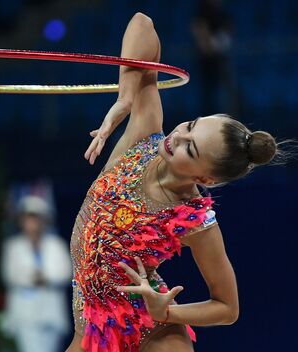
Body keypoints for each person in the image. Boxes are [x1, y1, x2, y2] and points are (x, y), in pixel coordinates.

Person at [66, 12, 279, 352]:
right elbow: (142, 24)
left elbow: (227, 308)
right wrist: (125, 98)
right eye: (190, 125)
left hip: (154, 333)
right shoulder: (144, 134)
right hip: (93, 327)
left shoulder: (196, 220)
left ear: (204, 177)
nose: (177, 137)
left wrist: (168, 311)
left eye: (189, 149)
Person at [1, 195, 72, 352]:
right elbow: (10, 275)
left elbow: (65, 273)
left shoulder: (56, 244)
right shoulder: (13, 246)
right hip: (25, 314)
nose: (33, 223)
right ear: (22, 221)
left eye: (37, 218)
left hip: (51, 313)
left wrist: (45, 277)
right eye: (29, 218)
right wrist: (33, 278)